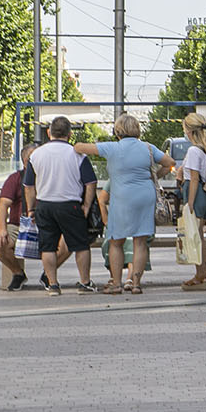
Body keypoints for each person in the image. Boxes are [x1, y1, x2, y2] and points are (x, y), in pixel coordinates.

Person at [74, 114, 174, 294]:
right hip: (145, 195)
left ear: (117, 131)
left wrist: (76, 146)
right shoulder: (148, 148)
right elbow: (169, 163)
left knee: (116, 241)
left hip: (122, 196)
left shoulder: (111, 147)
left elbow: (79, 147)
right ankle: (135, 284)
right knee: (140, 241)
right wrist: (153, 176)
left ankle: (117, 284)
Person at [23, 116, 99, 296]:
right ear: (69, 134)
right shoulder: (78, 154)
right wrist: (86, 206)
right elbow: (91, 183)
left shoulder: (36, 155)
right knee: (80, 245)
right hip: (71, 206)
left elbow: (29, 187)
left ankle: (53, 284)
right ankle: (85, 282)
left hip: (45, 205)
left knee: (48, 246)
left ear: (49, 133)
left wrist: (31, 209)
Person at [0, 144, 64, 290]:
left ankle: (48, 274)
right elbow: (3, 205)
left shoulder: (51, 177)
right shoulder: (15, 179)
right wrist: (1, 228)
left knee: (67, 242)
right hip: (19, 225)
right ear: (25, 161)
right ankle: (18, 273)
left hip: (48, 225)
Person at [178, 113, 206, 290]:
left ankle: (199, 274)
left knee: (195, 237)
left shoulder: (193, 150)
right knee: (200, 237)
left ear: (188, 130)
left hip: (195, 193)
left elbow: (194, 178)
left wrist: (189, 203)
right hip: (205, 195)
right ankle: (205, 272)